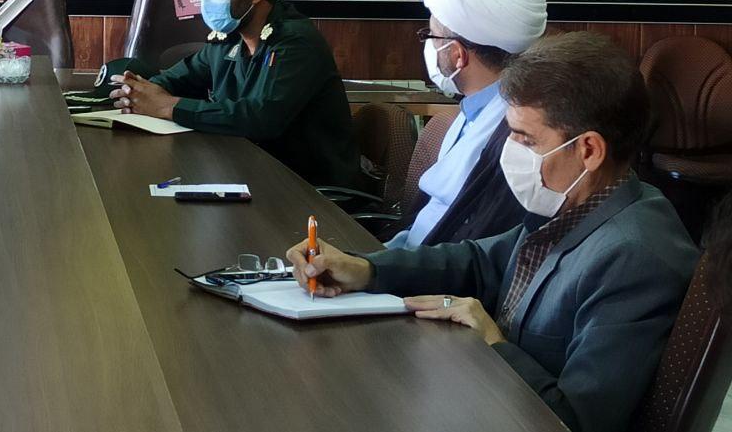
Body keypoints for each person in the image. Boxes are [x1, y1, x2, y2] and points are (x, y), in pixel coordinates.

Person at [287, 32, 697, 432]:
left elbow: (577, 419)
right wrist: (365, 269)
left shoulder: (635, 257)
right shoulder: (572, 200)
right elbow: (480, 261)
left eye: (526, 139)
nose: (509, 149)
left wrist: (493, 343)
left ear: (588, 150)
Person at [109, 0, 361, 186]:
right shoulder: (229, 40)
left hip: (311, 191)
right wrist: (138, 92)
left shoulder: (296, 43)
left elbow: (259, 119)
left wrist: (168, 106)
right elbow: (175, 79)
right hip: (252, 175)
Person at [387, 0, 547, 248]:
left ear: (457, 55)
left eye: (430, 36)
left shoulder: (510, 135)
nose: (428, 47)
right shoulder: (476, 109)